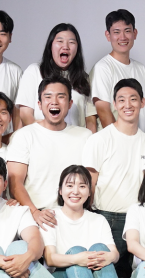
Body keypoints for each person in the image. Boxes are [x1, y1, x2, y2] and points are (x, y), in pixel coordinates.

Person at [41, 165, 127, 278]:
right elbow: (50, 259)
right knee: (76, 251)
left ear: (89, 192)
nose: (75, 191)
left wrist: (108, 256)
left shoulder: (98, 220)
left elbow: (115, 254)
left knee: (100, 248)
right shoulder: (50, 217)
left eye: (82, 186)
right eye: (70, 185)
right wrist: (77, 258)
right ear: (60, 191)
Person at [82, 78, 145, 278]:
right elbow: (90, 181)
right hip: (107, 217)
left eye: (133, 99)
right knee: (107, 277)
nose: (127, 105)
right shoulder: (99, 139)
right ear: (114, 104)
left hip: (139, 218)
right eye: (121, 100)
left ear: (142, 102)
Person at [7, 76, 92, 230]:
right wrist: (34, 213)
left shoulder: (85, 136)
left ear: (70, 103)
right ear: (39, 104)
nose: (54, 102)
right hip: (36, 215)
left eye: (61, 96)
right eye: (48, 97)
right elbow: (15, 182)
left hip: (75, 215)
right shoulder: (24, 135)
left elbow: (92, 179)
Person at [16, 23, 96, 131]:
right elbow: (25, 115)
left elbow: (90, 120)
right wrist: (48, 134)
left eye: (71, 42)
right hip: (41, 137)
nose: (66, 46)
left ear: (77, 48)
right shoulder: (34, 71)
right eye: (60, 41)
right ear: (50, 45)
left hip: (75, 139)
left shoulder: (83, 78)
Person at [89, 9, 145, 132]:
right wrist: (120, 140)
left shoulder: (141, 69)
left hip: (137, 139)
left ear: (135, 33)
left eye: (127, 31)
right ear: (108, 35)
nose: (122, 37)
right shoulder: (103, 68)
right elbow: (103, 110)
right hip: (113, 140)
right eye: (116, 32)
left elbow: (142, 109)